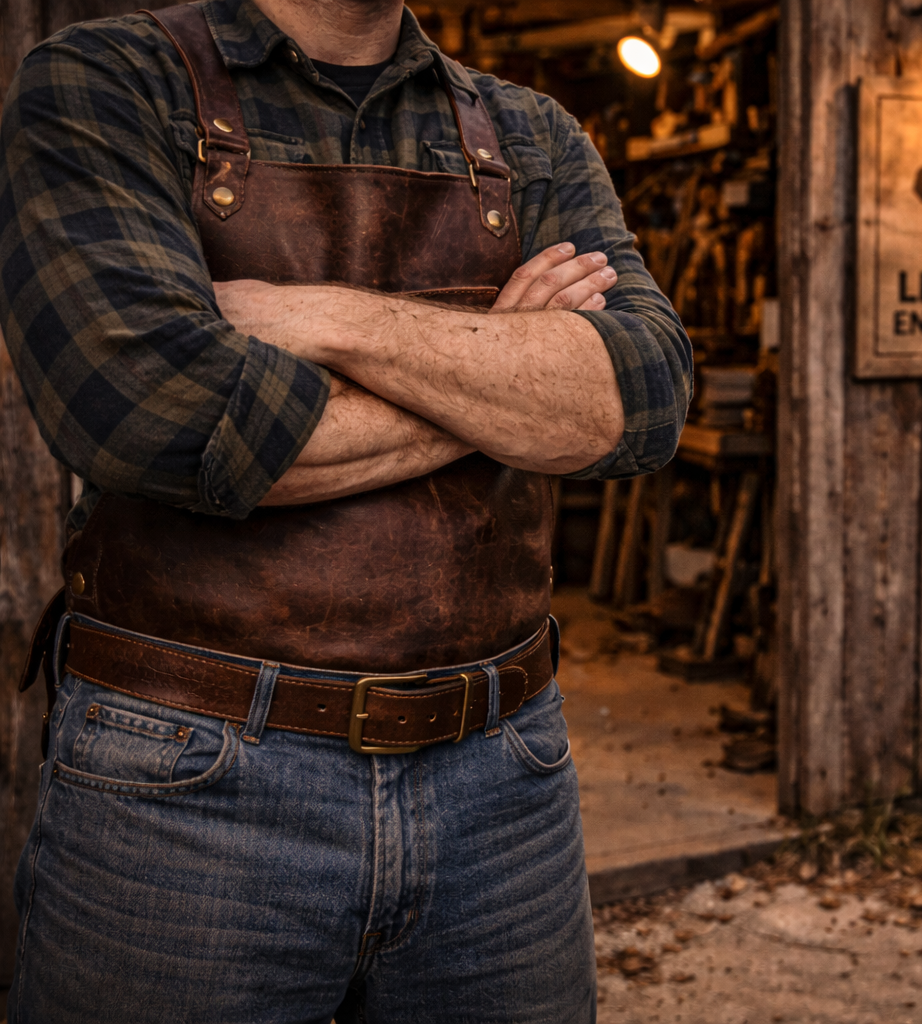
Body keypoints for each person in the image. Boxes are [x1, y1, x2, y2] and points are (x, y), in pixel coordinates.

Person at [0, 0, 690, 1019]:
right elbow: (156, 412)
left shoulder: (529, 132)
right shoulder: (108, 84)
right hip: (186, 778)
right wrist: (505, 376)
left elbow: (643, 393)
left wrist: (321, 317)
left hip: (504, 773)